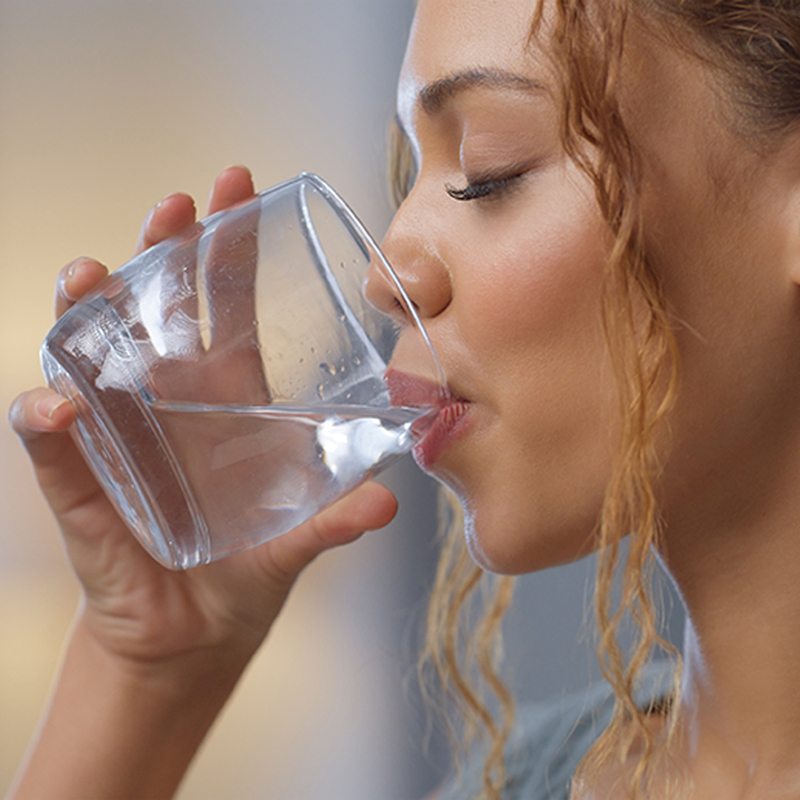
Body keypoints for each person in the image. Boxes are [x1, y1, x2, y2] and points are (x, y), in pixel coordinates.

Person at [9, 0, 800, 797]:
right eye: (411, 176)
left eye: (490, 173)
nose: (386, 279)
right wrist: (148, 670)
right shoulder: (528, 781)